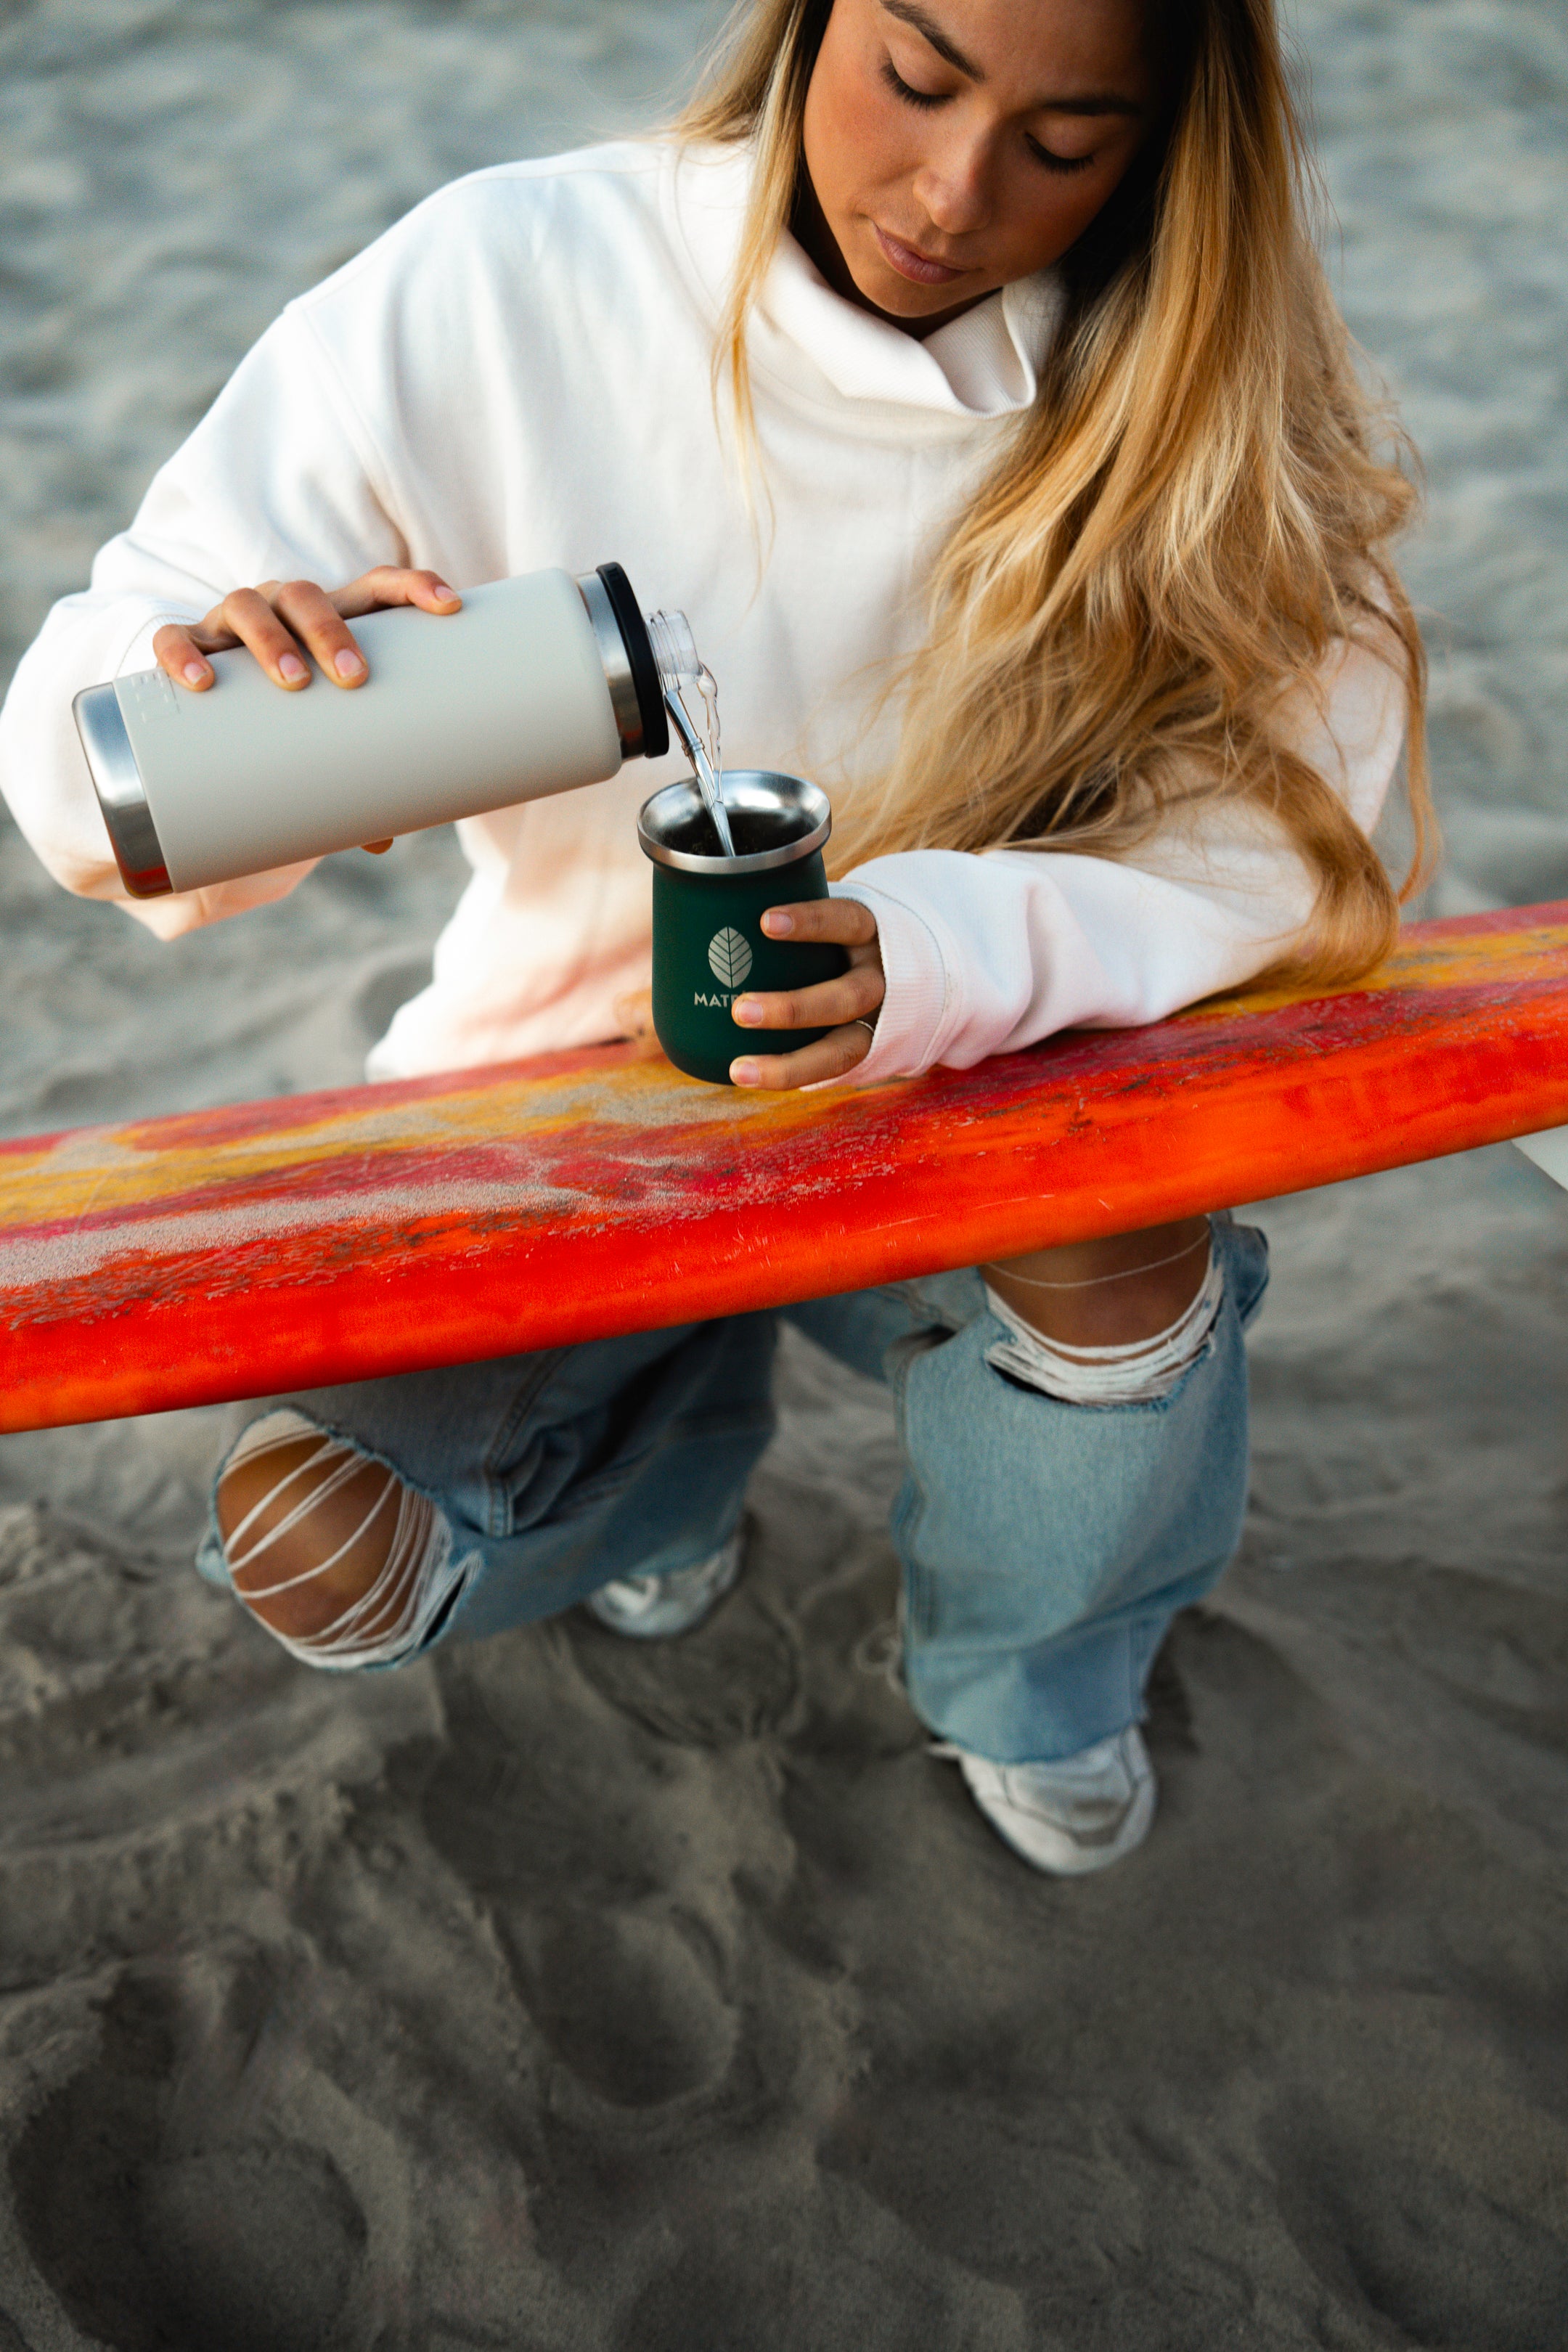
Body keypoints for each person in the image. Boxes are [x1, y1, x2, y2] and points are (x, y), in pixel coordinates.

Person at [0, 0, 1429, 1874]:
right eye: (917, 77)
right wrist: (225, 687)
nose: (954, 189)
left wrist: (937, 952)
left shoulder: (1188, 381)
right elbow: (61, 758)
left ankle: (1035, 1679)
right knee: (317, 1553)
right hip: (563, 1105)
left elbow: (1296, 834)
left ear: (1161, 145)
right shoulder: (514, 281)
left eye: (1063, 142)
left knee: (1132, 1246)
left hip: (965, 1104)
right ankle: (664, 1448)